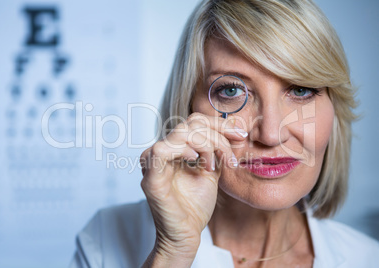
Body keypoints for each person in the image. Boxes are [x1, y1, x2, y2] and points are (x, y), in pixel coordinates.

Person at [70, 0, 379, 267]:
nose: (270, 134)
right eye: (231, 90)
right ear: (188, 107)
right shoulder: (104, 239)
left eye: (300, 90)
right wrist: (172, 253)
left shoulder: (368, 259)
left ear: (333, 110)